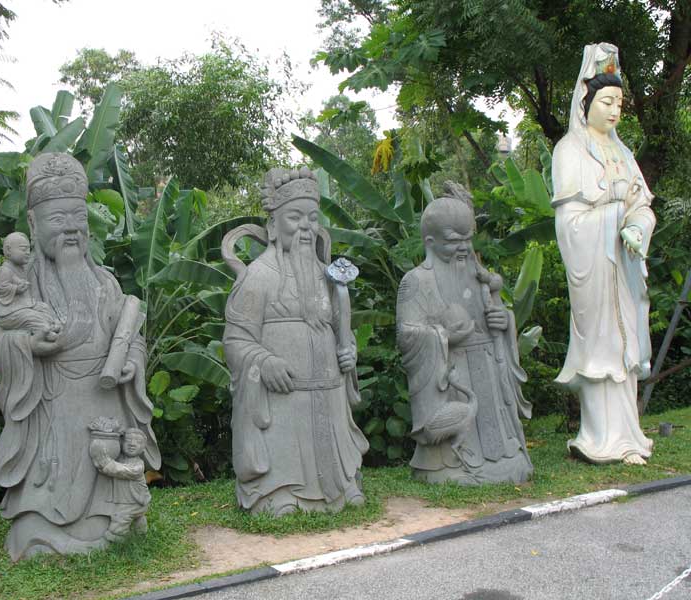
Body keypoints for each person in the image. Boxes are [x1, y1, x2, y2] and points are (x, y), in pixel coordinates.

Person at [0, 153, 160, 560]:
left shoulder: (105, 281)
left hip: (107, 405)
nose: (70, 229)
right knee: (43, 515)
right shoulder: (19, 285)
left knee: (115, 489)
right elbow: (0, 348)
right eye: (57, 220)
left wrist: (132, 361)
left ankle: (116, 526)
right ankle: (47, 532)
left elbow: (129, 334)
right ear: (33, 224)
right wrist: (28, 346)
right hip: (52, 406)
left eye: (77, 219)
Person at [222, 167, 369, 516]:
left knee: (331, 443)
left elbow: (340, 328)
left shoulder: (328, 277)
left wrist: (348, 351)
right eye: (295, 217)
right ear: (273, 226)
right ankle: (277, 491)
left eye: (312, 218)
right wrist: (264, 361)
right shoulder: (258, 276)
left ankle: (340, 487)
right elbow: (235, 340)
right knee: (285, 445)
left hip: (326, 391)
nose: (306, 227)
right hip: (281, 395)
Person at [552, 43, 654, 465]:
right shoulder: (568, 150)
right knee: (601, 349)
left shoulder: (625, 153)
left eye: (619, 103)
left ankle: (629, 437)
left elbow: (643, 206)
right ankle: (597, 438)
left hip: (624, 266)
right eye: (607, 101)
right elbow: (569, 221)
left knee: (627, 349)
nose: (614, 111)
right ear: (586, 100)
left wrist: (635, 226)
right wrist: (613, 217)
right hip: (593, 264)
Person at [396, 185, 533, 484]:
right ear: (430, 242)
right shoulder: (416, 281)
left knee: (501, 439)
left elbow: (496, 315)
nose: (462, 248)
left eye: (467, 240)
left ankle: (504, 457)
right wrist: (442, 336)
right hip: (453, 374)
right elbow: (406, 334)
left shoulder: (478, 275)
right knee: (459, 427)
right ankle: (450, 465)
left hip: (487, 368)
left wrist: (503, 320)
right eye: (453, 241)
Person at [0, 232, 60, 339]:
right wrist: (16, 289)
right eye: (23, 249)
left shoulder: (20, 268)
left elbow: (16, 280)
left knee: (43, 308)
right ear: (8, 250)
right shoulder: (5, 270)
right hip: (9, 313)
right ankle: (45, 332)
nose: (27, 253)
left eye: (28, 249)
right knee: (31, 317)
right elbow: (0, 289)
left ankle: (50, 325)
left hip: (23, 306)